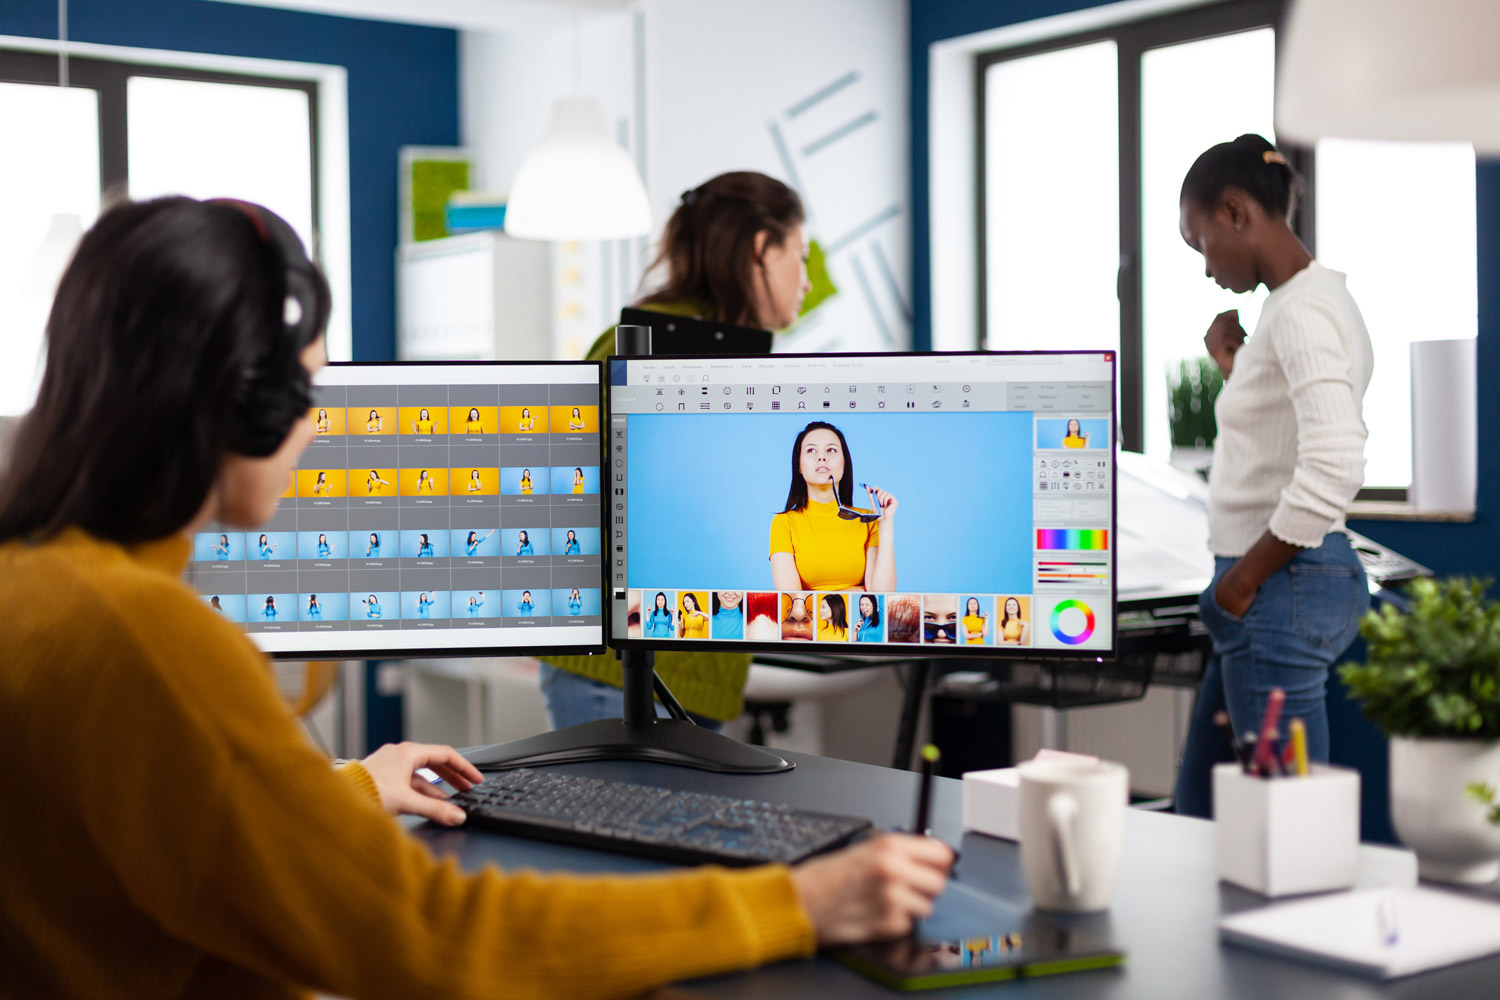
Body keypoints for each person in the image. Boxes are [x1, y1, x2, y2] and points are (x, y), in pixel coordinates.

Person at [537, 171, 816, 732]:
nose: (806, 282)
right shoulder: (641, 349)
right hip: (619, 677)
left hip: (693, 670)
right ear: (762, 249)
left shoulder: (736, 359)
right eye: (801, 257)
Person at [1171, 135, 1373, 819]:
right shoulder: (1307, 303)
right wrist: (1236, 365)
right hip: (1273, 589)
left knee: (1282, 831)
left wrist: (1243, 579)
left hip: (1274, 587)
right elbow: (1288, 427)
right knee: (1199, 813)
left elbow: (1335, 457)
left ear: (1235, 211)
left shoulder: (1299, 313)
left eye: (1200, 243)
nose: (1205, 269)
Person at [770, 422, 896, 593]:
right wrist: (858, 591)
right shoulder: (784, 523)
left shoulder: (868, 520)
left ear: (844, 463)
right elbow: (792, 600)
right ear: (799, 466)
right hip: (810, 620)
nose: (822, 457)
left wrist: (886, 524)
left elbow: (882, 595)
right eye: (811, 450)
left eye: (831, 450)